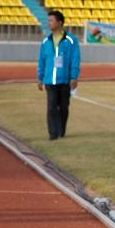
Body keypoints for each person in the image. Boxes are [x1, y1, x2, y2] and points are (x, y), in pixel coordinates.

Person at [37, 10, 80, 141]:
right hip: (50, 80)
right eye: (48, 20)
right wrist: (40, 77)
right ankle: (53, 133)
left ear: (60, 22)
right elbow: (42, 60)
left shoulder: (71, 40)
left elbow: (75, 59)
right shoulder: (45, 41)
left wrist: (74, 77)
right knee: (51, 106)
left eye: (51, 20)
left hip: (65, 80)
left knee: (63, 107)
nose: (48, 23)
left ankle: (61, 130)